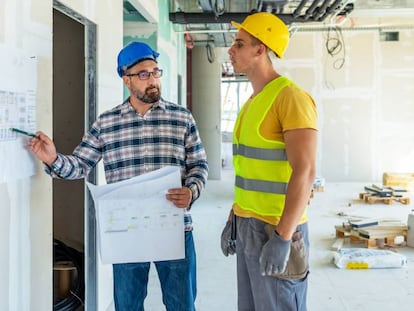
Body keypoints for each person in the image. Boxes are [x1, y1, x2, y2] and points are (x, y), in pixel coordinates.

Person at [29, 41, 208, 311]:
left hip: (174, 229)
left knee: (182, 304)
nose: (153, 81)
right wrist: (53, 158)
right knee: (127, 305)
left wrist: (191, 190)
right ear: (127, 79)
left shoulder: (181, 118)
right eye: (144, 75)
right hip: (128, 232)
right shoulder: (107, 123)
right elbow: (80, 165)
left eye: (156, 72)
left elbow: (199, 165)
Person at [220, 12, 318, 311]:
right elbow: (249, 171)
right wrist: (233, 218)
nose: (231, 50)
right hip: (248, 226)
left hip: (276, 229)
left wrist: (283, 237)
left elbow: (306, 170)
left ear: (260, 50)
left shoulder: (290, 97)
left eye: (239, 44)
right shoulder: (253, 101)